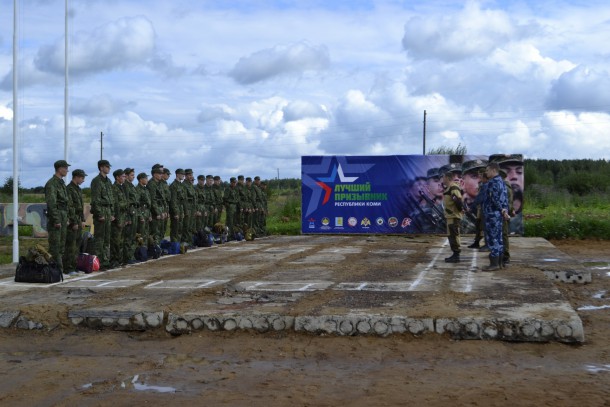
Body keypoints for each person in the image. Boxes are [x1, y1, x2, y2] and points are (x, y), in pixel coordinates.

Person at [481, 162, 510, 271]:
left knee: (493, 239)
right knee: (499, 238)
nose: (486, 173)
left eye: (487, 170)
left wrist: (501, 210)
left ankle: (494, 264)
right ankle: (500, 263)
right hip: (499, 214)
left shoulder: (492, 182)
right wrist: (505, 210)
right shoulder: (502, 182)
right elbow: (505, 198)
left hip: (492, 214)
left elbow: (494, 199)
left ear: (493, 170)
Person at [45, 160, 70, 274]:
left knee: (61, 245)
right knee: (55, 246)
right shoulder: (52, 184)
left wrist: (67, 218)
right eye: (65, 168)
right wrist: (56, 219)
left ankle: (59, 270)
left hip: (63, 216)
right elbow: (52, 203)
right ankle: (55, 270)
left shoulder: (61, 183)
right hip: (57, 217)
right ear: (59, 169)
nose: (67, 170)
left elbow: (65, 203)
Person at [90, 159, 115, 270]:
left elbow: (112, 199)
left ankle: (105, 260)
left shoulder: (108, 181)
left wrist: (112, 213)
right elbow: (95, 200)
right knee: (99, 238)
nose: (108, 168)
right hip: (101, 212)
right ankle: (99, 261)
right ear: (101, 168)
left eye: (108, 166)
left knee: (106, 238)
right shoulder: (96, 181)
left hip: (108, 211)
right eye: (106, 166)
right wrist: (100, 214)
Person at [64, 168, 87, 274]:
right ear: (76, 177)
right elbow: (70, 207)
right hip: (73, 220)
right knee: (71, 245)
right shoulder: (69, 189)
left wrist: (82, 220)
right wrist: (73, 222)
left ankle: (74, 266)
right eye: (82, 178)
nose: (83, 180)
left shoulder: (78, 189)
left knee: (77, 244)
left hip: (78, 219)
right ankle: (68, 267)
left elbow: (80, 206)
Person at [440, 163, 464, 263]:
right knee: (451, 236)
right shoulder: (449, 189)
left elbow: (458, 200)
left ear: (448, 178)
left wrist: (459, 210)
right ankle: (455, 254)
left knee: (454, 235)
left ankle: (456, 254)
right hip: (450, 216)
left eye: (443, 177)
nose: (442, 179)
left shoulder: (453, 188)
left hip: (453, 216)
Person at [461, 159, 487, 235]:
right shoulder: (457, 209)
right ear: (462, 183)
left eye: (484, 176)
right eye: (474, 176)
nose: (480, 181)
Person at [110, 169, 128, 268]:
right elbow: (116, 204)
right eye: (123, 176)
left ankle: (120, 259)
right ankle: (114, 260)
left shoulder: (122, 188)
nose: (124, 178)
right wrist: (118, 219)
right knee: (115, 241)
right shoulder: (114, 188)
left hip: (123, 216)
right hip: (118, 218)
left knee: (121, 240)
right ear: (117, 177)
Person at [122, 168, 138, 265]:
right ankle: (127, 257)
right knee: (128, 237)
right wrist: (127, 217)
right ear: (126, 176)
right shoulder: (125, 186)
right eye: (131, 175)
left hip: (134, 212)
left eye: (133, 175)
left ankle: (131, 255)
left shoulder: (131, 186)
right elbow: (126, 202)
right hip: (129, 213)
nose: (133, 177)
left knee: (132, 236)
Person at [135, 172, 151, 247]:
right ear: (141, 180)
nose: (147, 180)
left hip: (147, 212)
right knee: (141, 233)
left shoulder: (146, 189)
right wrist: (140, 216)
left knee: (146, 232)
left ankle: (145, 249)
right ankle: (141, 250)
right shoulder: (138, 189)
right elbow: (137, 204)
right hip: (141, 212)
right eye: (146, 178)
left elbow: (149, 204)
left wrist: (150, 214)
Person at [169, 168, 186, 243]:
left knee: (180, 227)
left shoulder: (181, 185)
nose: (183, 176)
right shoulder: (173, 185)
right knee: (175, 228)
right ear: (177, 174)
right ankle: (174, 243)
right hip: (176, 208)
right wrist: (175, 212)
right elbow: (173, 200)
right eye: (182, 174)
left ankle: (178, 243)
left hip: (181, 208)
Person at [182, 169, 197, 245]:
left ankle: (190, 242)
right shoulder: (184, 185)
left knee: (191, 226)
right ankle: (186, 242)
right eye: (190, 175)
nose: (191, 177)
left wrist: (194, 209)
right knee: (186, 226)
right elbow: (184, 199)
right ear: (186, 176)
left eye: (192, 175)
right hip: (187, 207)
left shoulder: (190, 185)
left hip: (192, 208)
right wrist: (185, 210)